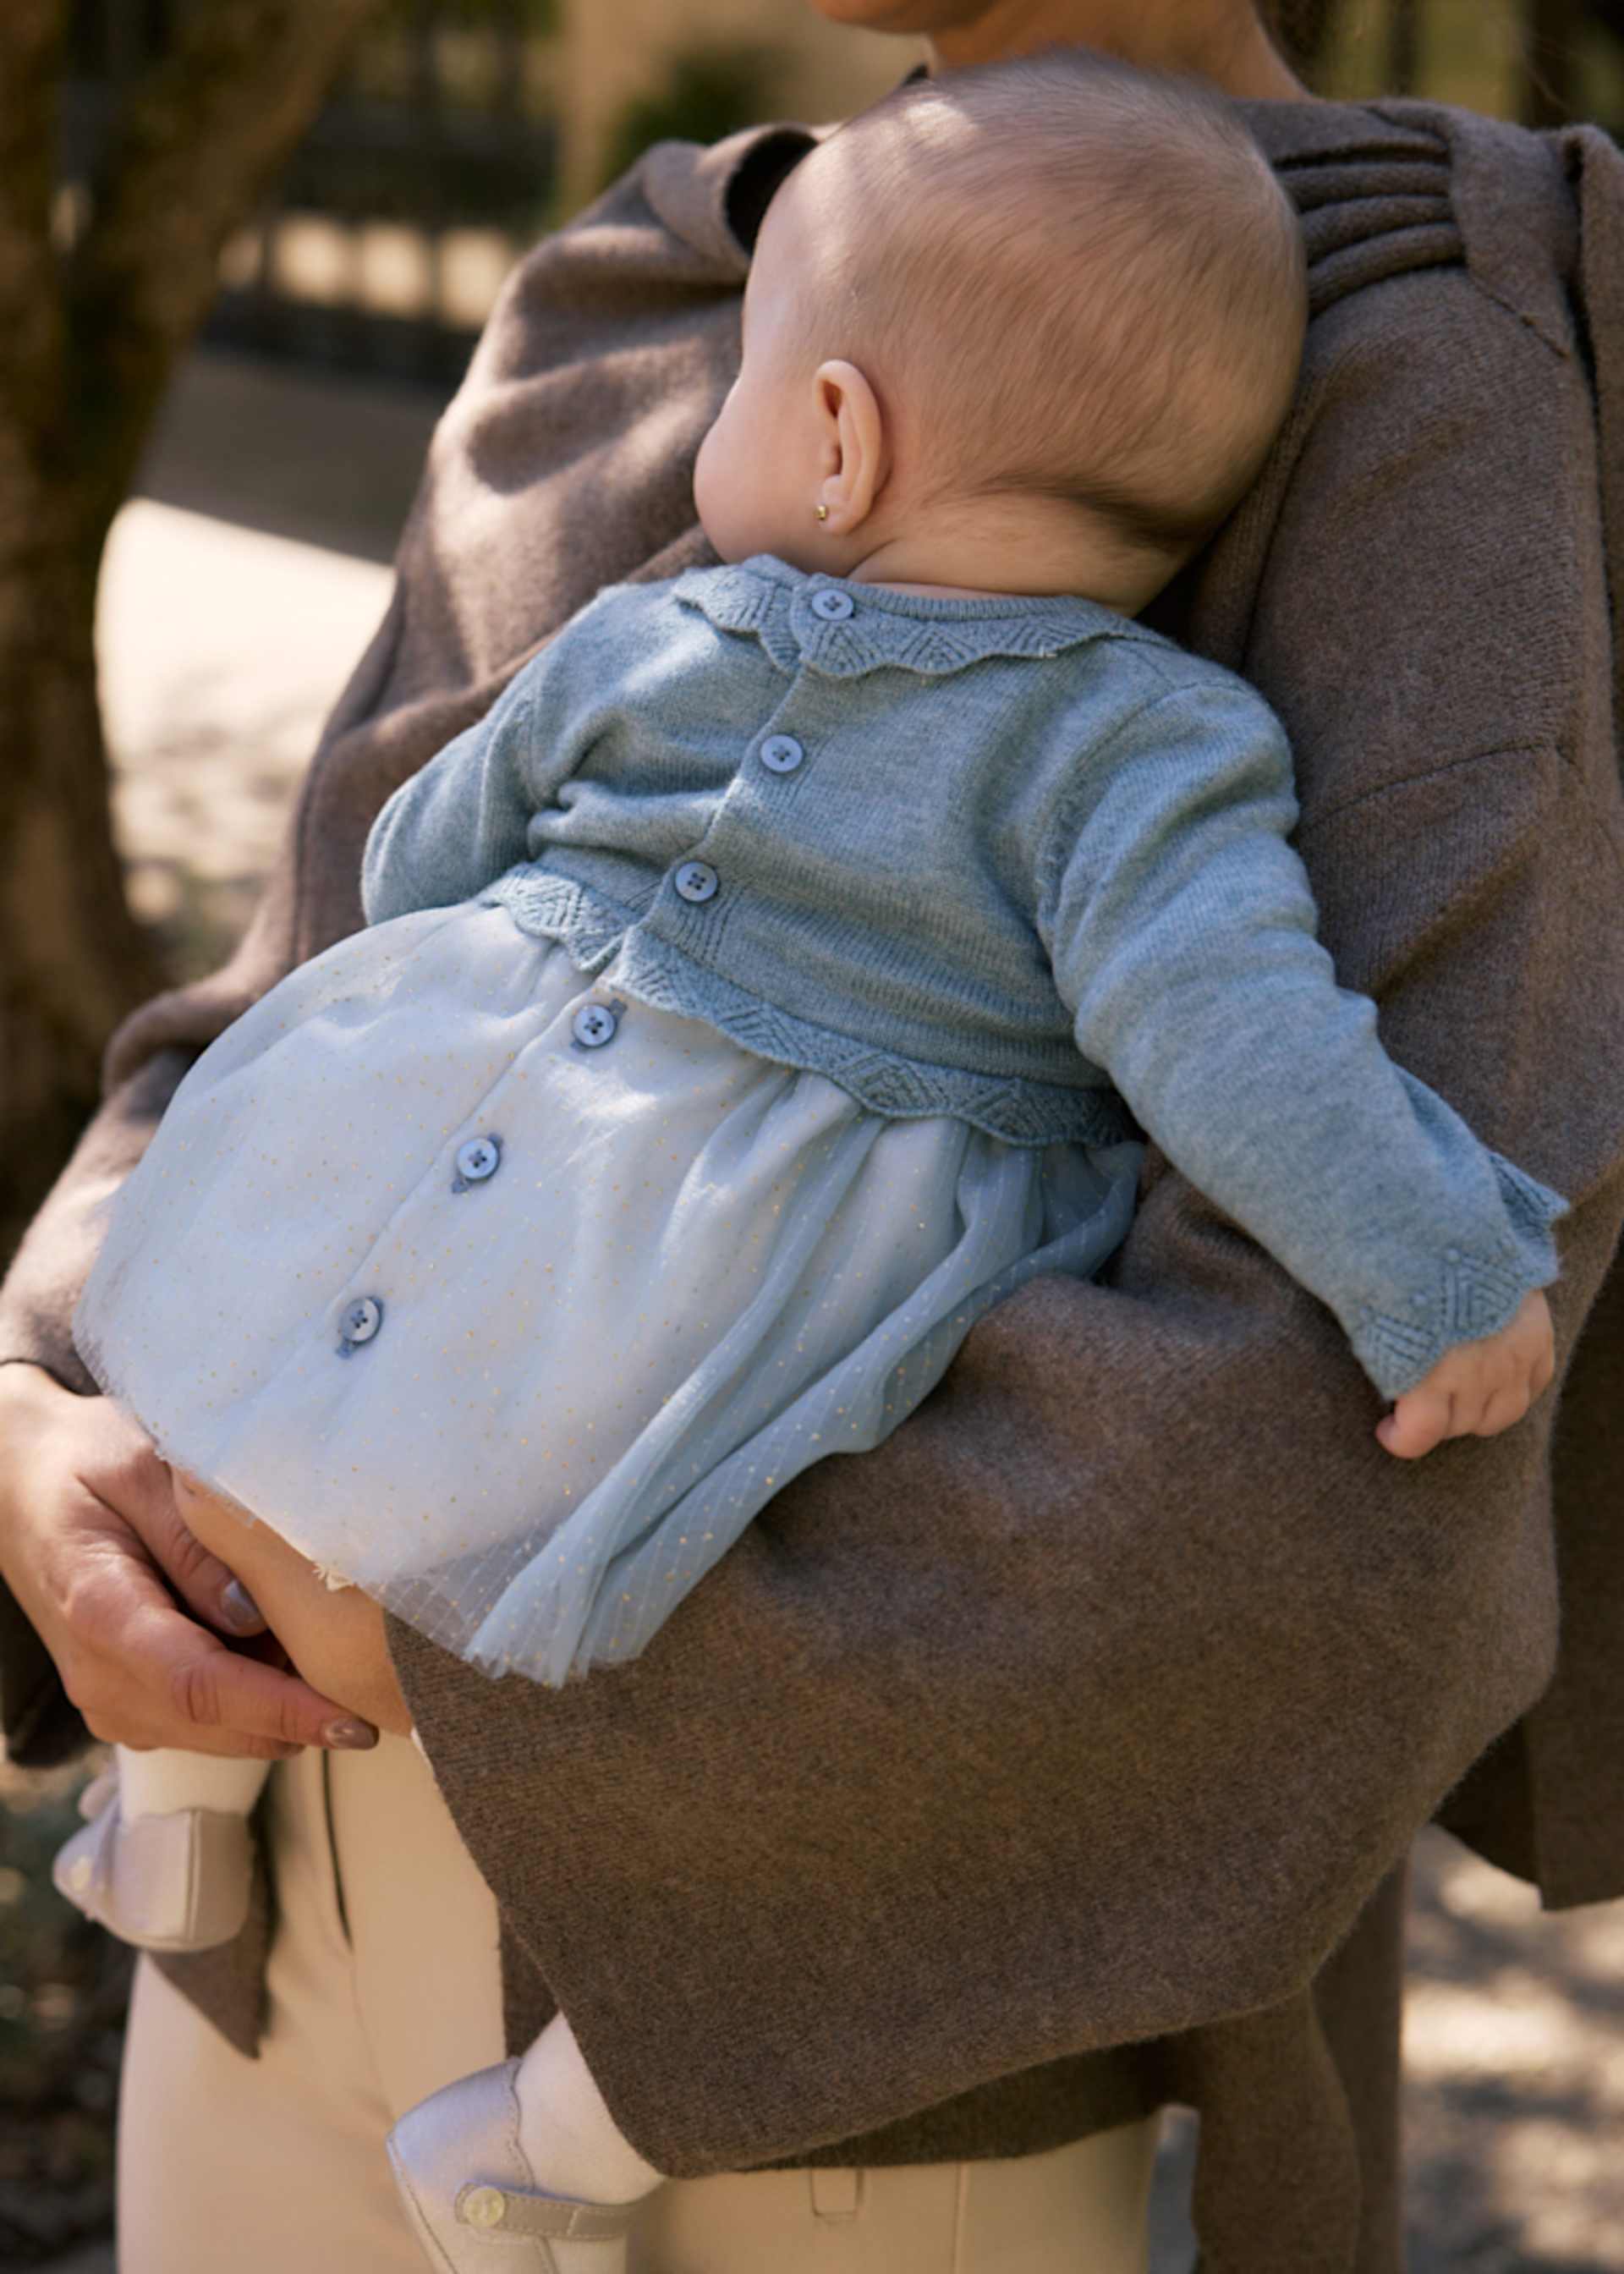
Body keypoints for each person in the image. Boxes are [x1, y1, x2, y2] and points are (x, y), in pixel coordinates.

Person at [2, 3, 1621, 2270]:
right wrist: (47, 1400)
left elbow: (1323, 1426)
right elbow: (313, 954)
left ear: (840, 430)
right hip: (265, 1924)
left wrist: (432, 1626)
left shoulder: (1423, 357)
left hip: (835, 2043)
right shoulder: (658, 274)